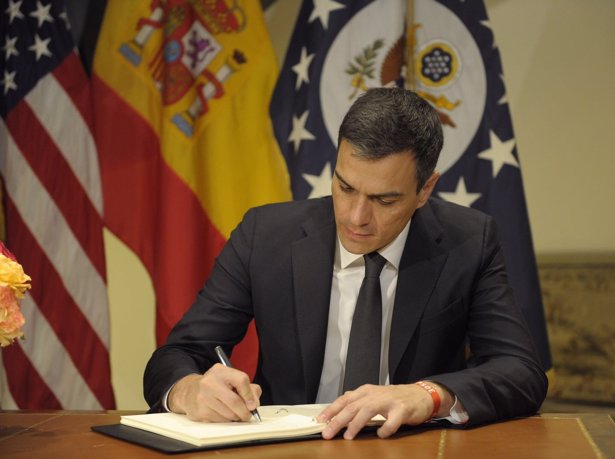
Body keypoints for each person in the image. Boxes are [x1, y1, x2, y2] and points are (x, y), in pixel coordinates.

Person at [144, 87, 548, 440]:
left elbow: (521, 372)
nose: (355, 218)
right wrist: (189, 390)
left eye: (385, 200)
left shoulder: (468, 241)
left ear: (425, 189)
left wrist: (426, 394)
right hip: (288, 449)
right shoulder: (265, 235)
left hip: (410, 447)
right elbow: (177, 354)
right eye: (345, 187)